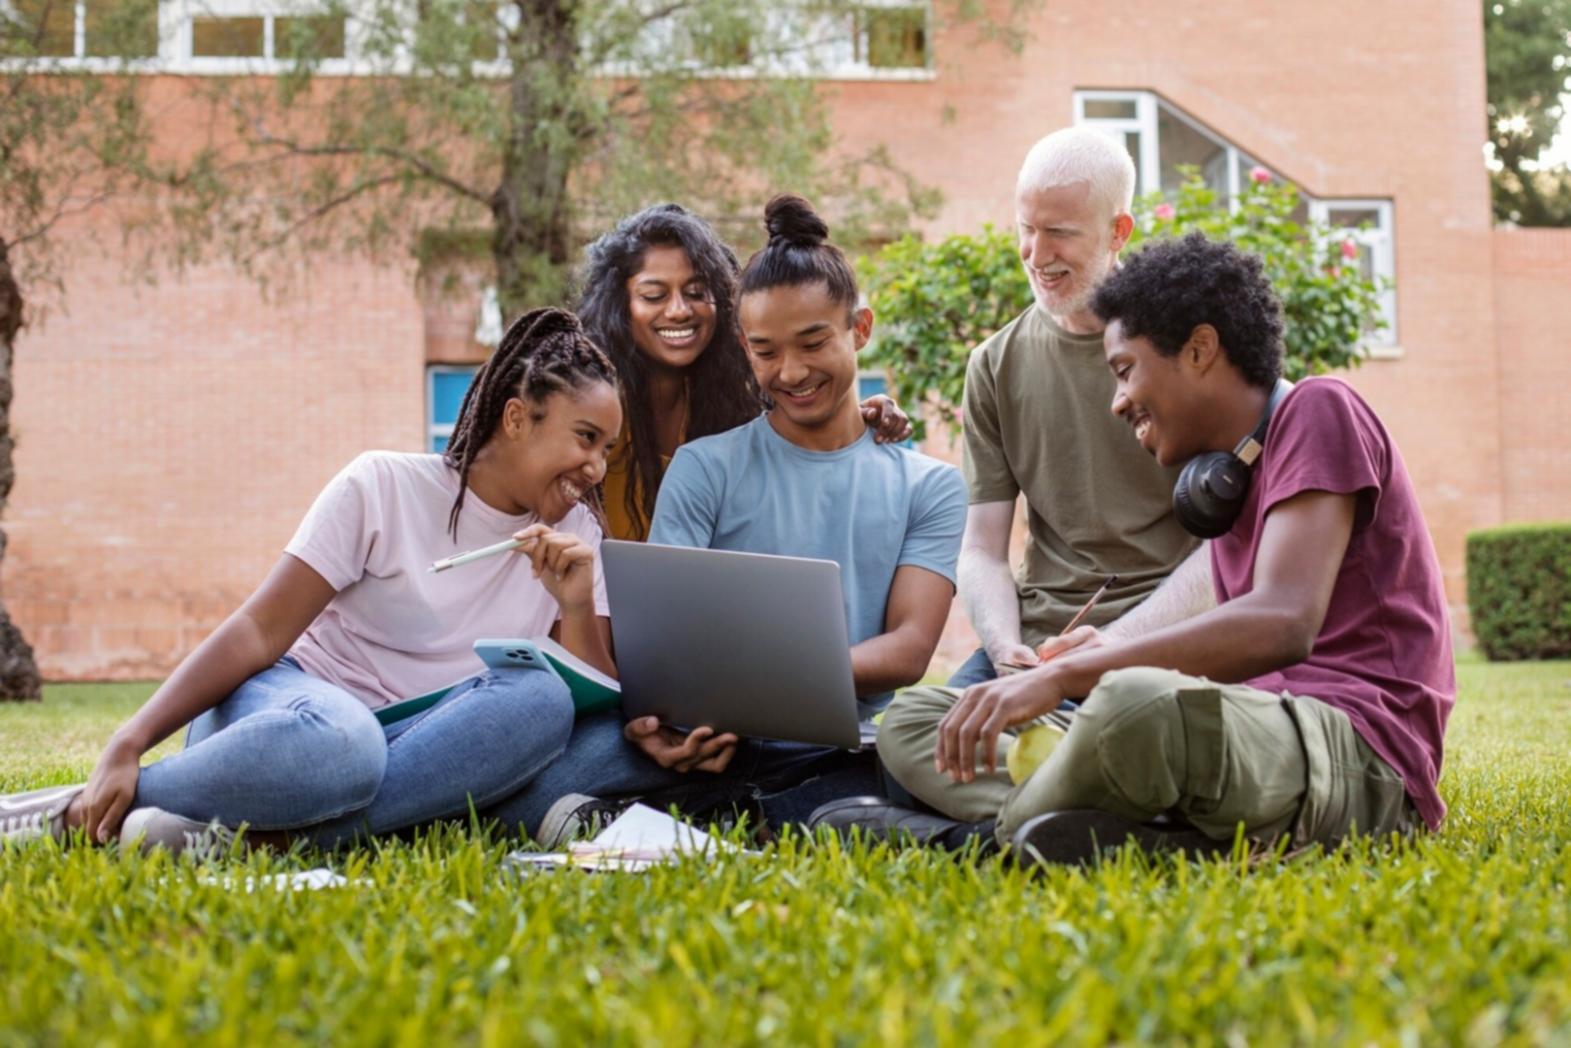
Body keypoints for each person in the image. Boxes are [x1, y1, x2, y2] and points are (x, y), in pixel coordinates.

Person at [815, 234, 1455, 864]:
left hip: (1355, 750)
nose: (1118, 402)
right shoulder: (1230, 480)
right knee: (920, 720)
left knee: (1131, 705)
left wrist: (1070, 675)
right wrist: (1099, 651)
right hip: (1239, 735)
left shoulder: (1321, 409)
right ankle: (1113, 830)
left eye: (1124, 371)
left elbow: (1283, 621)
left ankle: (980, 842)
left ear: (1200, 349)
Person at [1, 309, 622, 855]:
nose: (595, 468)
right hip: (296, 715)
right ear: (516, 418)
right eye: (585, 439)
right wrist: (130, 739)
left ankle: (272, 836)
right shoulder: (382, 486)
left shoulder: (578, 535)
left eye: (608, 450)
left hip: (422, 744)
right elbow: (258, 630)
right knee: (345, 745)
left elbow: (590, 702)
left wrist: (572, 604)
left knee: (541, 701)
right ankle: (79, 807)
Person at [486, 196, 967, 844]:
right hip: (694, 723)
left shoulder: (929, 485)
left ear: (859, 329)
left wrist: (758, 685)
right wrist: (657, 717)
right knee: (552, 770)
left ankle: (764, 815)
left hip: (834, 740)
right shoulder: (699, 463)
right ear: (745, 347)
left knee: (894, 762)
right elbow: (659, 640)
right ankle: (784, 816)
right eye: (766, 351)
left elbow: (908, 650)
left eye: (813, 343)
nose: (791, 371)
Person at [947, 126, 1202, 695]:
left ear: (1118, 231)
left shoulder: (1188, 348)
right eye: (1026, 229)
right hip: (1040, 642)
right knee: (912, 733)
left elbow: (1232, 549)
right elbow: (982, 550)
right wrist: (1004, 649)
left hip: (1161, 636)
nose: (1037, 256)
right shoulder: (993, 365)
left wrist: (1116, 642)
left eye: (1059, 233)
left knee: (1104, 730)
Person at [576, 203, 911, 541]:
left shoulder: (736, 402)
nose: (679, 310)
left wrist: (860, 418)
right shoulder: (591, 407)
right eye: (654, 295)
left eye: (696, 292)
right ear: (619, 305)